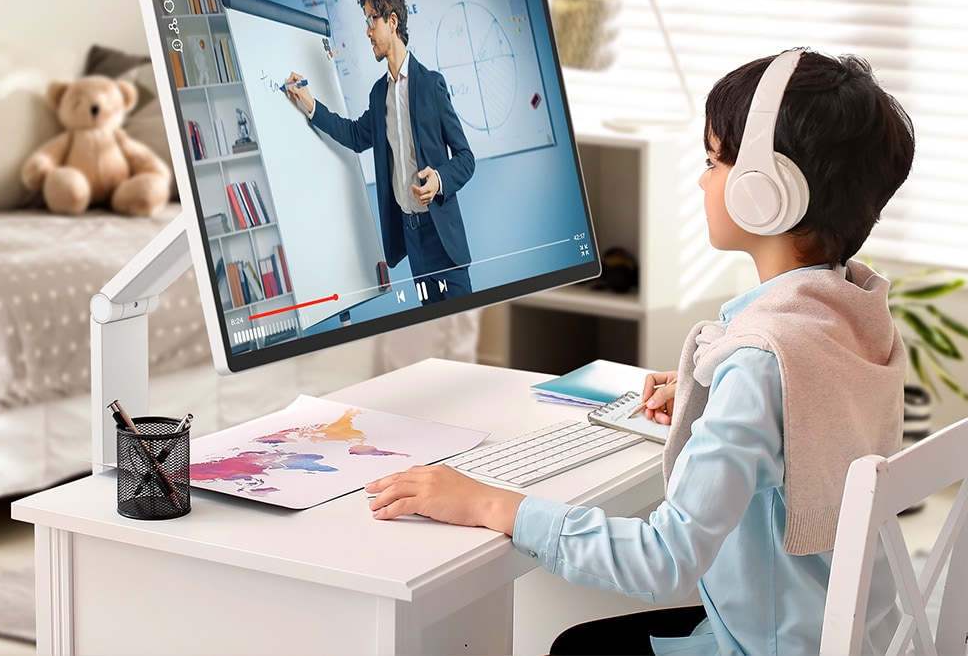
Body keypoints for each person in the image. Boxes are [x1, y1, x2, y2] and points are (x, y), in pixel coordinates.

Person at [366, 49, 916, 655]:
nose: (703, 180)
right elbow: (810, 405)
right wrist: (722, 396)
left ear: (767, 192)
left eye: (713, 161)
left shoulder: (763, 364)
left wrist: (488, 501)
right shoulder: (853, 312)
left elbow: (664, 561)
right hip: (851, 635)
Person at [284, 0, 475, 304]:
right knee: (430, 332)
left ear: (391, 21)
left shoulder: (431, 85)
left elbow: (465, 158)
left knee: (460, 327)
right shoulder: (378, 95)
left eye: (371, 20)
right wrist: (311, 105)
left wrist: (440, 180)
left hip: (443, 236)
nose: (368, 31)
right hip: (412, 236)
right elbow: (357, 136)